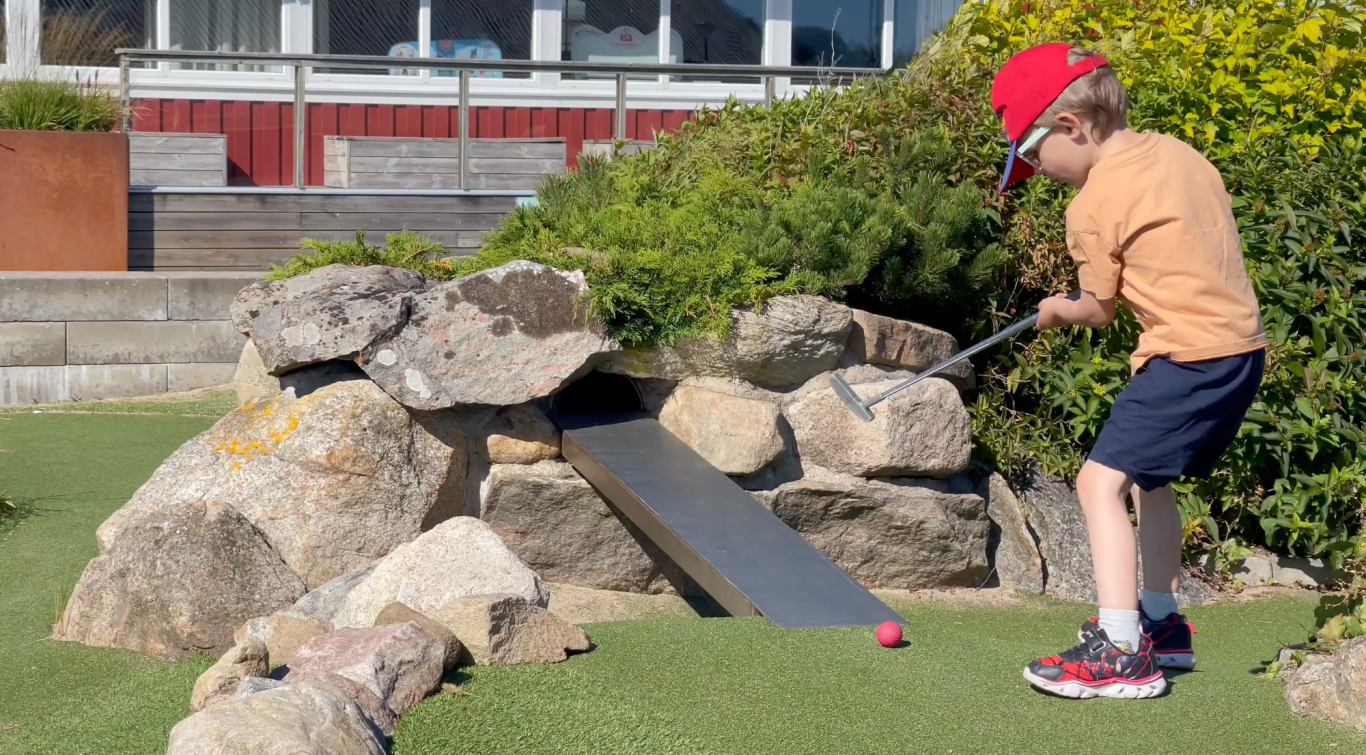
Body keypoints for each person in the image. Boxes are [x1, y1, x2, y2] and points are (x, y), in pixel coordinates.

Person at [990, 43, 1266, 699]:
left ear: (1071, 128)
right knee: (1148, 479)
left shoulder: (1089, 207)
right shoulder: (1180, 154)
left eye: (1032, 156)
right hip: (1239, 350)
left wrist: (1058, 310)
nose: (1038, 171)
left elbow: (1099, 307)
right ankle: (1162, 626)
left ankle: (1120, 651)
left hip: (1187, 356)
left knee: (1096, 483)